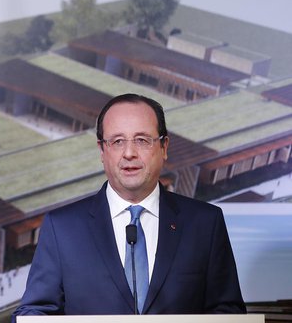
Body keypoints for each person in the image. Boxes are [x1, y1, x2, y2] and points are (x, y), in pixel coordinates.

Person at [13, 93, 245, 318]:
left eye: (142, 140)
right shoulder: (62, 227)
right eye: (117, 141)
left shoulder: (205, 223)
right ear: (102, 151)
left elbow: (228, 312)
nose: (129, 153)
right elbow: (35, 312)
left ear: (164, 147)